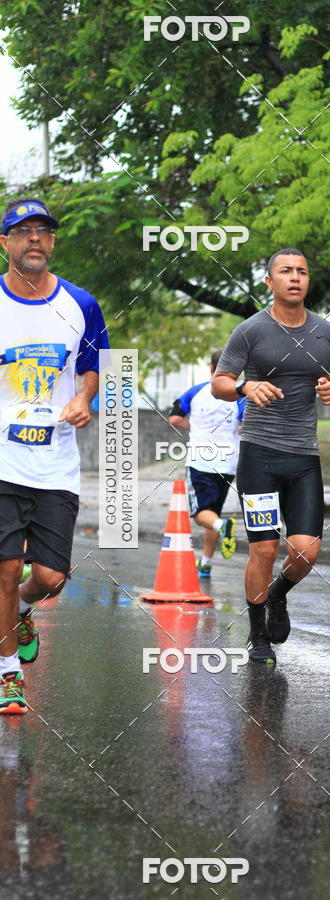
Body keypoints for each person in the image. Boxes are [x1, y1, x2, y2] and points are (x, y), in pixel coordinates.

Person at [0, 197, 109, 714]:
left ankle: (23, 608)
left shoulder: (80, 305)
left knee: (48, 578)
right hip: (2, 460)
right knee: (5, 566)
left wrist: (83, 398)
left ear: (53, 241)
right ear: (6, 244)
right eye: (24, 232)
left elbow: (94, 365)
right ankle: (6, 674)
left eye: (43, 231)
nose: (35, 239)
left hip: (56, 463)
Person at [212, 248, 330, 664]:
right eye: (285, 271)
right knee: (265, 550)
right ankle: (257, 635)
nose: (295, 277)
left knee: (306, 551)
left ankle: (277, 594)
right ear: (269, 282)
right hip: (259, 457)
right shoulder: (250, 331)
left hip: (304, 457)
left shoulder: (326, 332)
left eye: (302, 271)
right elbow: (219, 381)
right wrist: (244, 388)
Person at [168, 350, 244, 576]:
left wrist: (197, 428)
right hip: (229, 461)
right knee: (214, 512)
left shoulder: (195, 391)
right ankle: (206, 564)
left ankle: (224, 528)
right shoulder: (241, 395)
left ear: (212, 369)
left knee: (202, 512)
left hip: (201, 461)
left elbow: (174, 418)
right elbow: (245, 422)